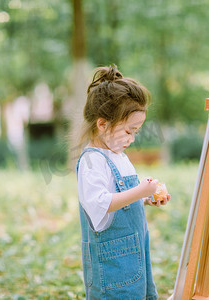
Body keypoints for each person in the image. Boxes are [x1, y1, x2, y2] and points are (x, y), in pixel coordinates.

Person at [75, 65, 171, 299]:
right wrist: (139, 191)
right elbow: (100, 204)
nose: (132, 138)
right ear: (102, 124)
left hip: (134, 258)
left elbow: (122, 199)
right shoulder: (92, 162)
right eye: (129, 131)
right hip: (112, 268)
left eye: (136, 131)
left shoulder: (118, 155)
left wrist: (146, 198)